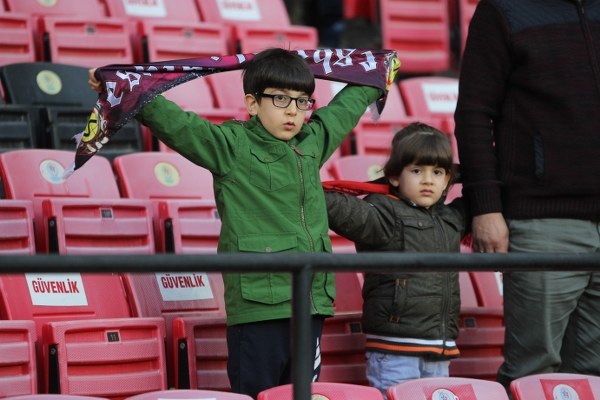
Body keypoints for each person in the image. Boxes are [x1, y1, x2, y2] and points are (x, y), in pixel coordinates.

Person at [89, 48, 396, 399]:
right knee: (257, 395)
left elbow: (345, 108)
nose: (293, 111)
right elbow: (178, 125)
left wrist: (378, 73)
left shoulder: (312, 143)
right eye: (280, 99)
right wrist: (122, 87)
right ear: (252, 103)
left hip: (310, 304)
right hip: (257, 309)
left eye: (302, 102)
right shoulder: (230, 146)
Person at [454, 0, 600, 393]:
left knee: (595, 374)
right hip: (543, 223)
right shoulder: (504, 8)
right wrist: (486, 207)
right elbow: (472, 111)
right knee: (534, 371)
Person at [324, 123, 467, 398]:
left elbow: (483, 186)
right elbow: (336, 206)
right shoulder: (383, 212)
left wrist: (460, 173)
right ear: (394, 177)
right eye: (417, 171)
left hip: (440, 349)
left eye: (437, 172)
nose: (428, 180)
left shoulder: (452, 218)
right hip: (395, 348)